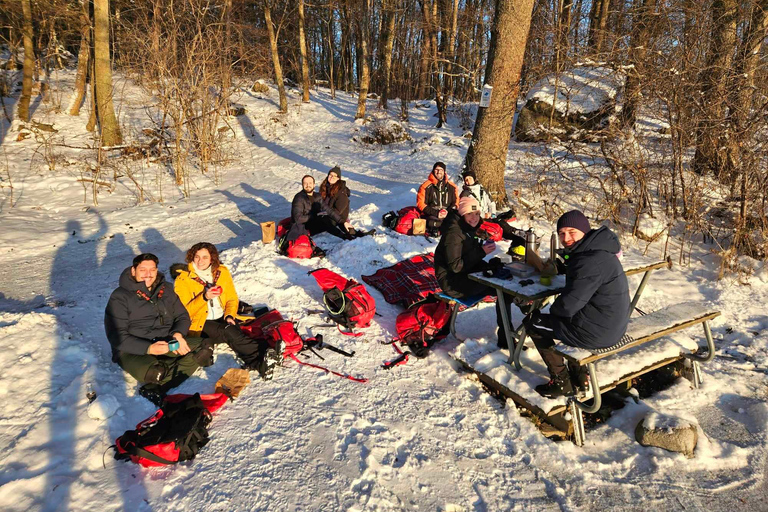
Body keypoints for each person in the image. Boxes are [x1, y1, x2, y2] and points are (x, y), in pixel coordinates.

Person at [525, 210, 630, 398]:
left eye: (572, 231)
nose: (566, 238)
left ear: (584, 231)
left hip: (599, 333)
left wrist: (553, 312)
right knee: (565, 320)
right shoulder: (599, 251)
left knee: (534, 323)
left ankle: (561, 382)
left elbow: (568, 306)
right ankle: (580, 376)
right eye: (562, 233)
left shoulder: (589, 261)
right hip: (612, 324)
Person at [105, 253, 212, 405]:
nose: (148, 274)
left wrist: (178, 334)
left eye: (152, 270)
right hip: (132, 350)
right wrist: (148, 348)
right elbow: (117, 336)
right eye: (143, 269)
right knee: (157, 372)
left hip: (166, 340)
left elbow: (182, 316)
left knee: (205, 347)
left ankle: (161, 382)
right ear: (133, 270)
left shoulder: (166, 289)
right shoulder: (120, 297)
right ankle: (163, 373)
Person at [174, 242, 283, 380]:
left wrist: (229, 314)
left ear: (212, 258)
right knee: (228, 331)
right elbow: (184, 313)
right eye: (197, 257)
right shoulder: (183, 279)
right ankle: (266, 351)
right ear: (192, 257)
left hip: (221, 316)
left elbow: (232, 298)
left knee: (236, 331)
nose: (200, 261)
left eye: (205, 257)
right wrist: (204, 297)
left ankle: (258, 361)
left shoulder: (222, 273)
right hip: (199, 323)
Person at [433, 196, 516, 349]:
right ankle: (507, 340)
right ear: (462, 214)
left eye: (477, 213)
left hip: (464, 275)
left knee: (503, 282)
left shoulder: (466, 229)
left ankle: (507, 336)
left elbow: (469, 257)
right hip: (452, 282)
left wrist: (489, 265)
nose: (474, 218)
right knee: (501, 288)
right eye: (470, 214)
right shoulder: (453, 234)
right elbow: (456, 266)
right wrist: (481, 252)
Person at [460, 170, 524, 245]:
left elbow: (491, 203)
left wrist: (492, 214)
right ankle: (515, 236)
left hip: (488, 216)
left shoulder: (482, 190)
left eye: (470, 178)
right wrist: (483, 215)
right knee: (496, 226)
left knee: (500, 221)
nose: (468, 181)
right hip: (476, 219)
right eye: (466, 180)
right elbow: (467, 211)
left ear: (474, 179)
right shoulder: (465, 194)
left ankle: (516, 233)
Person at [317, 166, 373, 239]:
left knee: (324, 222)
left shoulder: (341, 192)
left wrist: (322, 213)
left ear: (338, 178)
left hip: (338, 217)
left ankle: (347, 236)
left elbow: (337, 212)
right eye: (330, 175)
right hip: (327, 213)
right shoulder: (326, 187)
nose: (331, 177)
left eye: (334, 176)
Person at [417, 162, 459, 234]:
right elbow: (420, 204)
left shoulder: (452, 186)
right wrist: (436, 213)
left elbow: (456, 203)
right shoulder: (425, 186)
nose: (439, 172)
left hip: (447, 214)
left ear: (444, 172)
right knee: (432, 222)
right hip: (432, 214)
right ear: (433, 171)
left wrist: (447, 212)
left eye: (441, 170)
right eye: (437, 169)